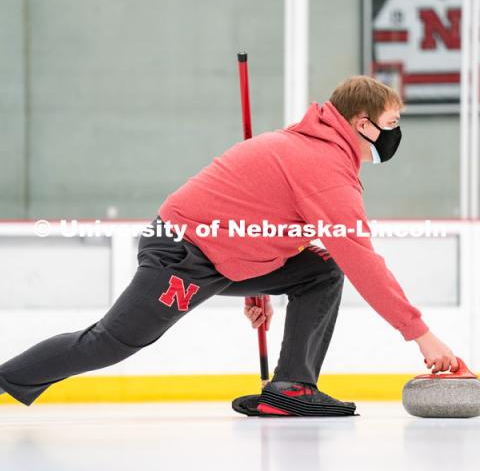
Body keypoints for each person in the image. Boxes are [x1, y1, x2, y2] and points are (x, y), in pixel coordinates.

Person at [0, 76, 457, 416]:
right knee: (111, 342)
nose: (396, 134)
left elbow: (258, 219)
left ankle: (292, 389)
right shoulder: (324, 167)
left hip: (222, 249)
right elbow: (361, 258)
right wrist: (421, 334)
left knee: (318, 272)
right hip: (182, 252)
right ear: (363, 123)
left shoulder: (315, 147)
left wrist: (258, 281)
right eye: (392, 124)